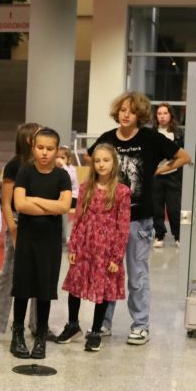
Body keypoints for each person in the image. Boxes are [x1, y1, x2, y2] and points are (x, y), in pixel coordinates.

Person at [88, 92, 191, 345]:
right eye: (123, 109)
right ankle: (103, 322)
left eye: (132, 111)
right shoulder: (107, 139)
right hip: (108, 220)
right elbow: (93, 159)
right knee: (109, 273)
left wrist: (161, 169)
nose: (126, 115)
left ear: (140, 115)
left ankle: (141, 325)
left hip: (139, 219)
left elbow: (184, 157)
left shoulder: (150, 138)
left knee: (137, 276)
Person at [55, 143, 131, 352]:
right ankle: (72, 325)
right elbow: (78, 218)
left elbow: (122, 227)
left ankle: (96, 330)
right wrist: (73, 247)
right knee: (75, 285)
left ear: (114, 163)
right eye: (97, 161)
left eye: (106, 160)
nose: (101, 164)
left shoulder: (122, 192)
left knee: (103, 290)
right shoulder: (87, 186)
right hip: (85, 246)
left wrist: (116, 257)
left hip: (106, 250)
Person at [10, 127, 72, 360]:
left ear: (57, 150)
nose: (44, 153)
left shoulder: (62, 175)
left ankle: (40, 337)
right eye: (40, 148)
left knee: (45, 289)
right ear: (33, 147)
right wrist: (48, 205)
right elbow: (20, 205)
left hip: (50, 241)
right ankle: (17, 334)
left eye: (50, 149)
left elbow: (64, 207)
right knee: (23, 287)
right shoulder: (25, 172)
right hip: (27, 238)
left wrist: (34, 200)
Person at [0, 122, 40, 342]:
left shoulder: (43, 166)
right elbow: (6, 203)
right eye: (38, 136)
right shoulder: (14, 165)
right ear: (28, 140)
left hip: (39, 223)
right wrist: (13, 231)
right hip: (18, 222)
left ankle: (36, 324)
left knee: (38, 276)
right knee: (9, 275)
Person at [151, 102, 185, 248]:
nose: (162, 116)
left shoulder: (178, 133)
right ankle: (159, 235)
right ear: (156, 116)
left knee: (174, 208)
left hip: (173, 174)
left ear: (170, 115)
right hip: (156, 175)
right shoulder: (151, 133)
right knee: (156, 207)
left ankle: (178, 236)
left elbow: (183, 153)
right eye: (159, 114)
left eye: (165, 113)